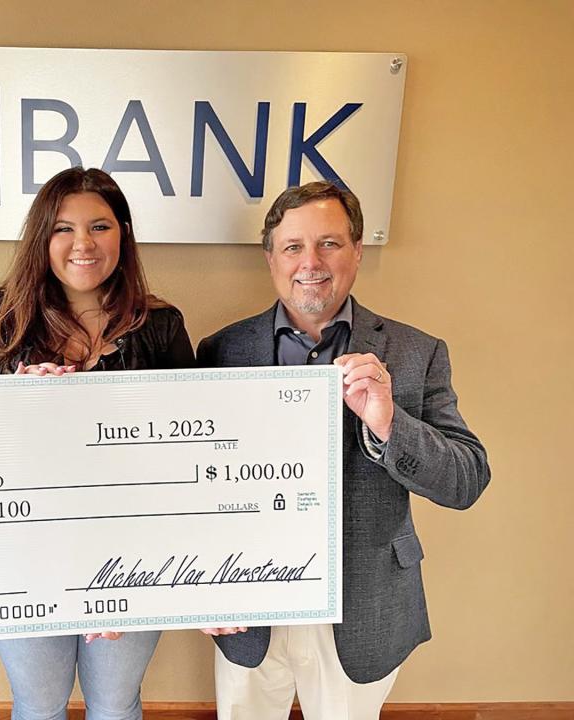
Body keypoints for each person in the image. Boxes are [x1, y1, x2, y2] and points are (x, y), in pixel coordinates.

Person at [197, 181, 490, 720]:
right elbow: (193, 481)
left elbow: (466, 479)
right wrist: (200, 582)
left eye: (330, 244)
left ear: (358, 250)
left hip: (363, 606)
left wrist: (388, 422)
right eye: (293, 247)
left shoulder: (415, 352)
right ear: (271, 259)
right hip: (248, 608)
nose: (311, 262)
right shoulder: (222, 350)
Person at [0, 167, 194, 720]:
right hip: (22, 556)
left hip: (133, 557)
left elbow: (189, 454)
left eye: (100, 226)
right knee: (38, 703)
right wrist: (13, 406)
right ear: (42, 238)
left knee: (115, 702)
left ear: (123, 235)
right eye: (63, 228)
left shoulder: (160, 326)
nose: (83, 244)